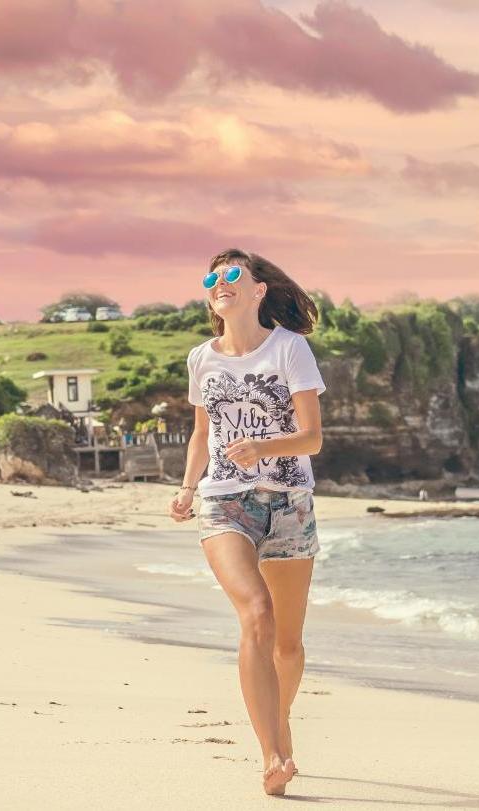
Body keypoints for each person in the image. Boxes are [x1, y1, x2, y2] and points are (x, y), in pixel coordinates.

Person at [169, 248, 326, 796]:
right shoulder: (201, 358)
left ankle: (279, 722)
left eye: (233, 273)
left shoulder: (290, 348)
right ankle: (272, 753)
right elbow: (201, 433)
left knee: (288, 644)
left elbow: (312, 438)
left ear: (259, 290)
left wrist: (262, 447)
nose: (221, 281)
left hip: (289, 503)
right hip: (224, 501)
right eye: (212, 276)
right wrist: (187, 487)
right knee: (256, 612)